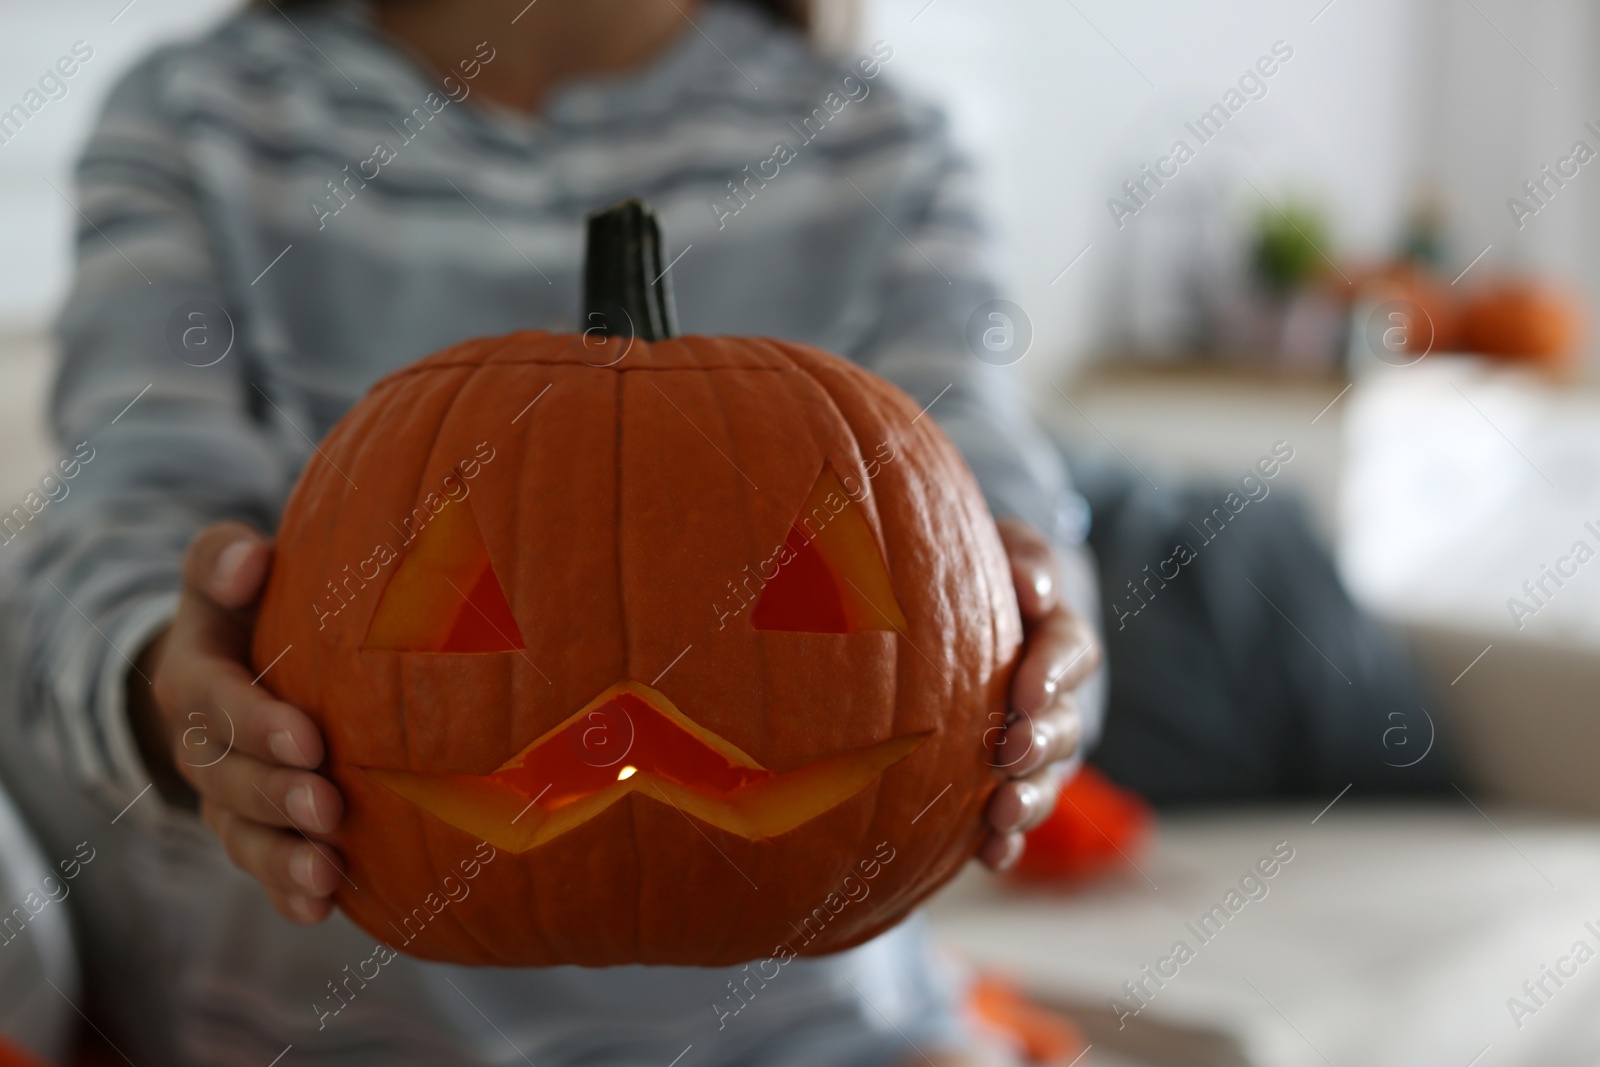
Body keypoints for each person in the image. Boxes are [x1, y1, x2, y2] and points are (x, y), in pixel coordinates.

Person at [1, 0, 1103, 1063]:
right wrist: (173, 696)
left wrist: (1048, 666)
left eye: (796, 592)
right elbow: (114, 546)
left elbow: (994, 549)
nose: (634, 721)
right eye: (470, 612)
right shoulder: (200, 117)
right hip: (329, 1023)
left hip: (823, 1027)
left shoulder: (886, 146)